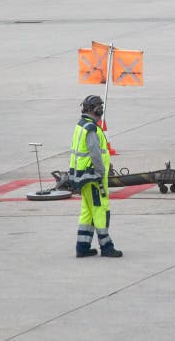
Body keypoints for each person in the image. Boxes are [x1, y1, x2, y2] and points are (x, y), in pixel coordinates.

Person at [69, 95, 123, 258]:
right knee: (101, 210)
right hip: (93, 178)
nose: (102, 109)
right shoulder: (91, 128)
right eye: (100, 107)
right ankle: (106, 246)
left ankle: (82, 247)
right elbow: (94, 153)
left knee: (88, 211)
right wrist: (101, 172)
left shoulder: (81, 125)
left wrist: (108, 164)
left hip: (81, 176)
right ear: (95, 109)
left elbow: (94, 152)